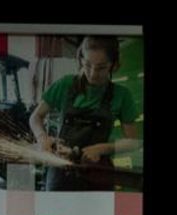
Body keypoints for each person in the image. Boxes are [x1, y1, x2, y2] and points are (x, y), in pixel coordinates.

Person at [30, 34, 142, 192]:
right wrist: (42, 138)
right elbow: (35, 117)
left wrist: (102, 148)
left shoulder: (122, 95)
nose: (93, 74)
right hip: (61, 174)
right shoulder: (65, 84)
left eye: (101, 67)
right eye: (88, 65)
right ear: (80, 59)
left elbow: (133, 142)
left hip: (100, 175)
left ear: (114, 64)